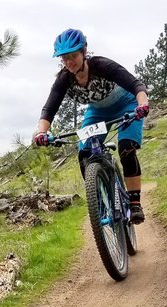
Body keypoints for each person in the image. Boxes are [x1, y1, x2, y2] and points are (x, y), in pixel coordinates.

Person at [33, 28, 150, 224]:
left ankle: (135, 203)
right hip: (98, 112)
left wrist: (142, 104)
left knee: (126, 147)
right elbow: (49, 109)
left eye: (73, 56)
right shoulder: (64, 79)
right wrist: (41, 132)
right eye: (64, 58)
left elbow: (136, 85)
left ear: (84, 52)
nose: (69, 62)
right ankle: (98, 202)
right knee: (85, 153)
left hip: (127, 105)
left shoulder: (102, 66)